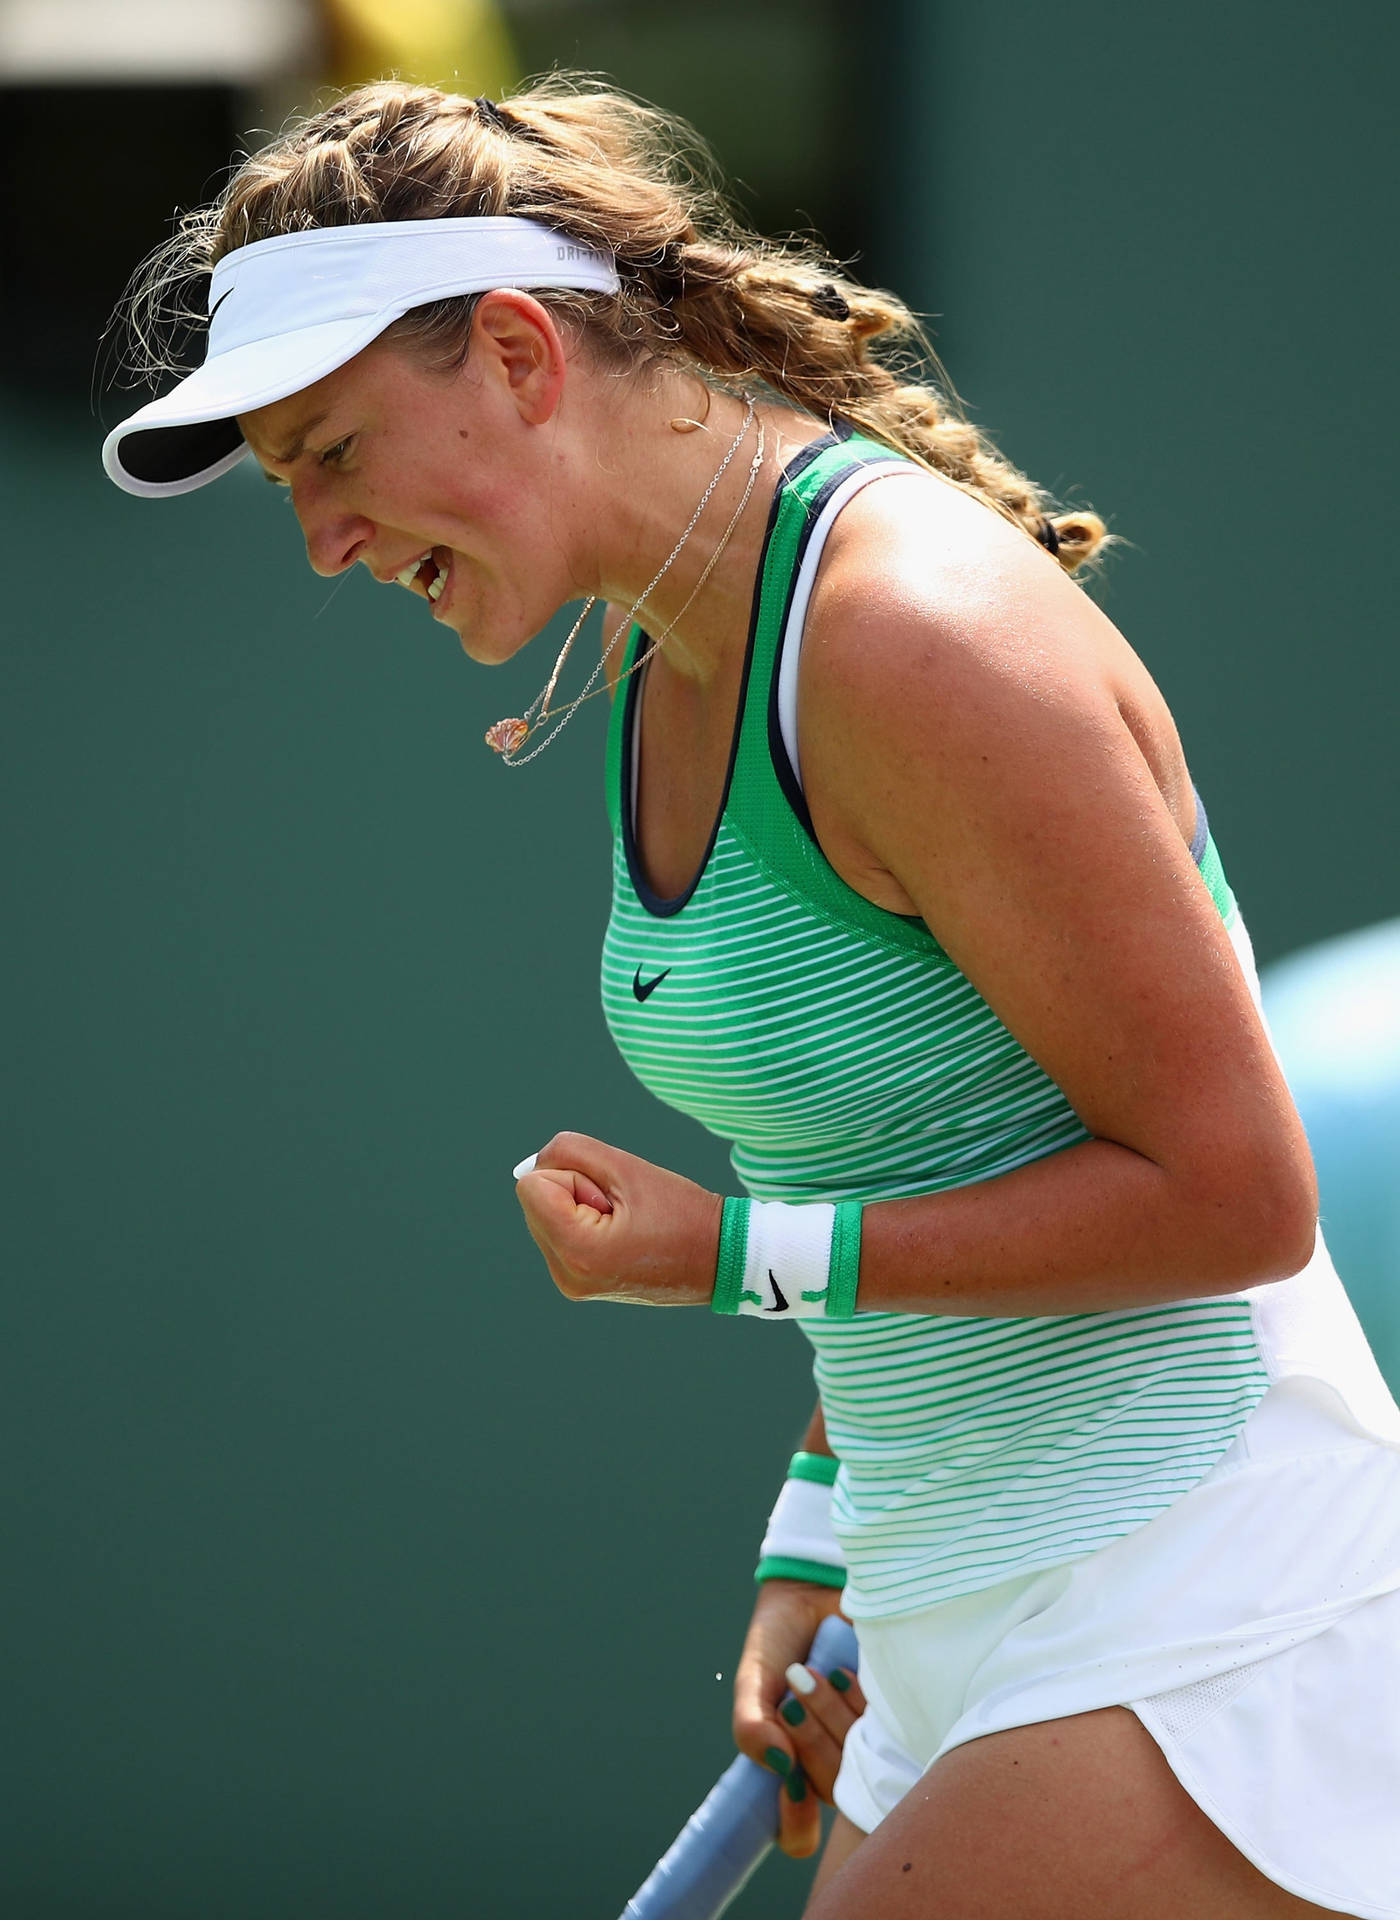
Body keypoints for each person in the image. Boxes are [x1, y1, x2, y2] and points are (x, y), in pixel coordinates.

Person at [103, 77, 1400, 1919]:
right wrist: (826, 1527)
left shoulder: (907, 639)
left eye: (329, 453)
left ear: (514, 351)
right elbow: (920, 1134)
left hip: (1206, 1602)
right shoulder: (663, 648)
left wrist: (731, 1255)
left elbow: (1237, 1198)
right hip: (939, 1606)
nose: (316, 536)